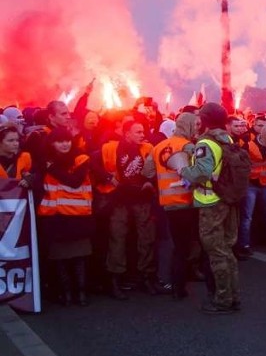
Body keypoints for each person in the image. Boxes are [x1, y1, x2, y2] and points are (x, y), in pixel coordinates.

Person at [178, 103, 241, 314]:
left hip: (211, 203)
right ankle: (233, 295)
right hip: (227, 200)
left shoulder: (206, 142)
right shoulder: (226, 138)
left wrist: (183, 170)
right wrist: (191, 147)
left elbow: (202, 172)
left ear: (205, 120)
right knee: (227, 250)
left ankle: (222, 300)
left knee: (216, 253)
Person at [94, 121, 163, 297]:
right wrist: (108, 177)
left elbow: (157, 169)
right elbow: (91, 162)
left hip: (142, 199)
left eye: (143, 131)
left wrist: (150, 182)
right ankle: (115, 279)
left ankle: (146, 277)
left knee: (146, 238)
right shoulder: (111, 148)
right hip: (120, 199)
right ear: (126, 134)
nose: (142, 134)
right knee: (117, 238)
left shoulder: (149, 148)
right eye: (137, 131)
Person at [37, 127, 94, 306]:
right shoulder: (44, 160)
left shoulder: (81, 158)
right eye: (60, 141)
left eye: (67, 140)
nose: (65, 144)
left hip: (77, 218)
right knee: (60, 257)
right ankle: (67, 293)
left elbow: (75, 181)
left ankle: (81, 293)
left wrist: (52, 168)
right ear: (52, 143)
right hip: (56, 218)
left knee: (79, 257)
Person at [146, 112, 199, 299]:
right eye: (196, 124)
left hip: (165, 202)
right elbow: (195, 173)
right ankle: (179, 286)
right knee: (183, 246)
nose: (198, 128)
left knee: (170, 243)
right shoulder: (188, 146)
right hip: (185, 202)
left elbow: (147, 171)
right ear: (189, 126)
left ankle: (168, 280)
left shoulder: (158, 146)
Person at [236, 125, 266, 258]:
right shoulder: (248, 146)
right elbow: (241, 166)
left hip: (264, 184)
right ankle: (244, 244)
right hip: (251, 184)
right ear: (264, 135)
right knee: (247, 217)